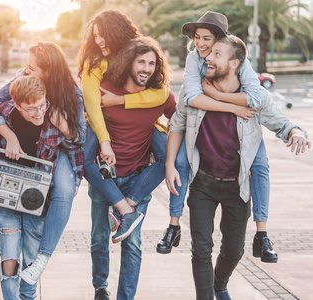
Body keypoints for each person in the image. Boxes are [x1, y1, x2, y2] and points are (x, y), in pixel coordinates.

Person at [165, 35, 311, 300]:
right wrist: (170, 165)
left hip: (237, 186)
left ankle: (219, 284)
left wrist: (297, 133)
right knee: (201, 248)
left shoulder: (255, 97)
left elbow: (282, 122)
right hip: (203, 182)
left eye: (217, 54)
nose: (208, 57)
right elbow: (176, 124)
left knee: (234, 250)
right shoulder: (194, 92)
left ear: (234, 63)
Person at [156, 11, 277, 263]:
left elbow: (254, 98)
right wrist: (232, 106)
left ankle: (262, 234)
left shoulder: (236, 60)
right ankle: (173, 224)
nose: (200, 44)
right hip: (208, 128)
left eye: (207, 38)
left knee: (260, 166)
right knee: (179, 163)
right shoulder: (193, 59)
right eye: (197, 38)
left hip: (244, 130)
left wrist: (219, 96)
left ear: (221, 41)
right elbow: (191, 98)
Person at [0, 41, 86, 284]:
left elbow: (79, 138)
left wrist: (62, 125)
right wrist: (10, 137)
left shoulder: (72, 94)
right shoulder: (21, 84)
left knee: (65, 189)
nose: (27, 70)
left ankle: (43, 258)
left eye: (33, 67)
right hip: (25, 156)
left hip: (61, 147)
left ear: (49, 71)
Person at [88, 36, 176, 300]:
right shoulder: (105, 91)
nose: (147, 68)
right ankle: (100, 287)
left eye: (152, 63)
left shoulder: (160, 97)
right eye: (141, 61)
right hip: (105, 180)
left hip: (138, 181)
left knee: (133, 245)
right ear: (129, 63)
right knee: (99, 238)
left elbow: (182, 121)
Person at [77, 10, 175, 243]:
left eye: (103, 35)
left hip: (143, 127)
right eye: (95, 36)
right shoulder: (95, 63)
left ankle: (130, 207)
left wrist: (121, 100)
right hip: (99, 124)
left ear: (117, 32)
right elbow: (93, 105)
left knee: (170, 154)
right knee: (84, 159)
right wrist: (104, 141)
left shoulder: (138, 55)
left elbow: (161, 94)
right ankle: (126, 208)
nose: (99, 41)